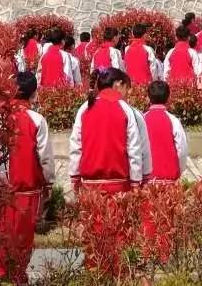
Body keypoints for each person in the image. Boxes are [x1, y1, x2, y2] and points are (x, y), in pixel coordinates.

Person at [68, 68, 149, 275]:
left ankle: (96, 276)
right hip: (119, 184)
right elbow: (134, 149)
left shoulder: (85, 108)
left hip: (90, 185)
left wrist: (74, 178)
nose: (128, 94)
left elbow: (76, 146)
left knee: (94, 237)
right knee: (119, 237)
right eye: (127, 89)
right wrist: (137, 182)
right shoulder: (126, 109)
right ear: (118, 84)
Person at [0, 72, 54, 285]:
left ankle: (2, 276)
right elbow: (45, 157)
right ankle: (18, 277)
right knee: (23, 238)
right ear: (33, 93)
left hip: (2, 189)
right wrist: (49, 183)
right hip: (28, 189)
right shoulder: (37, 120)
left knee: (2, 235)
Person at [142, 81, 190, 183]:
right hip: (169, 178)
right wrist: (179, 170)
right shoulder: (173, 120)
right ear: (168, 97)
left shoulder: (142, 119)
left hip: (146, 179)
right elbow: (182, 149)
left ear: (148, 97)